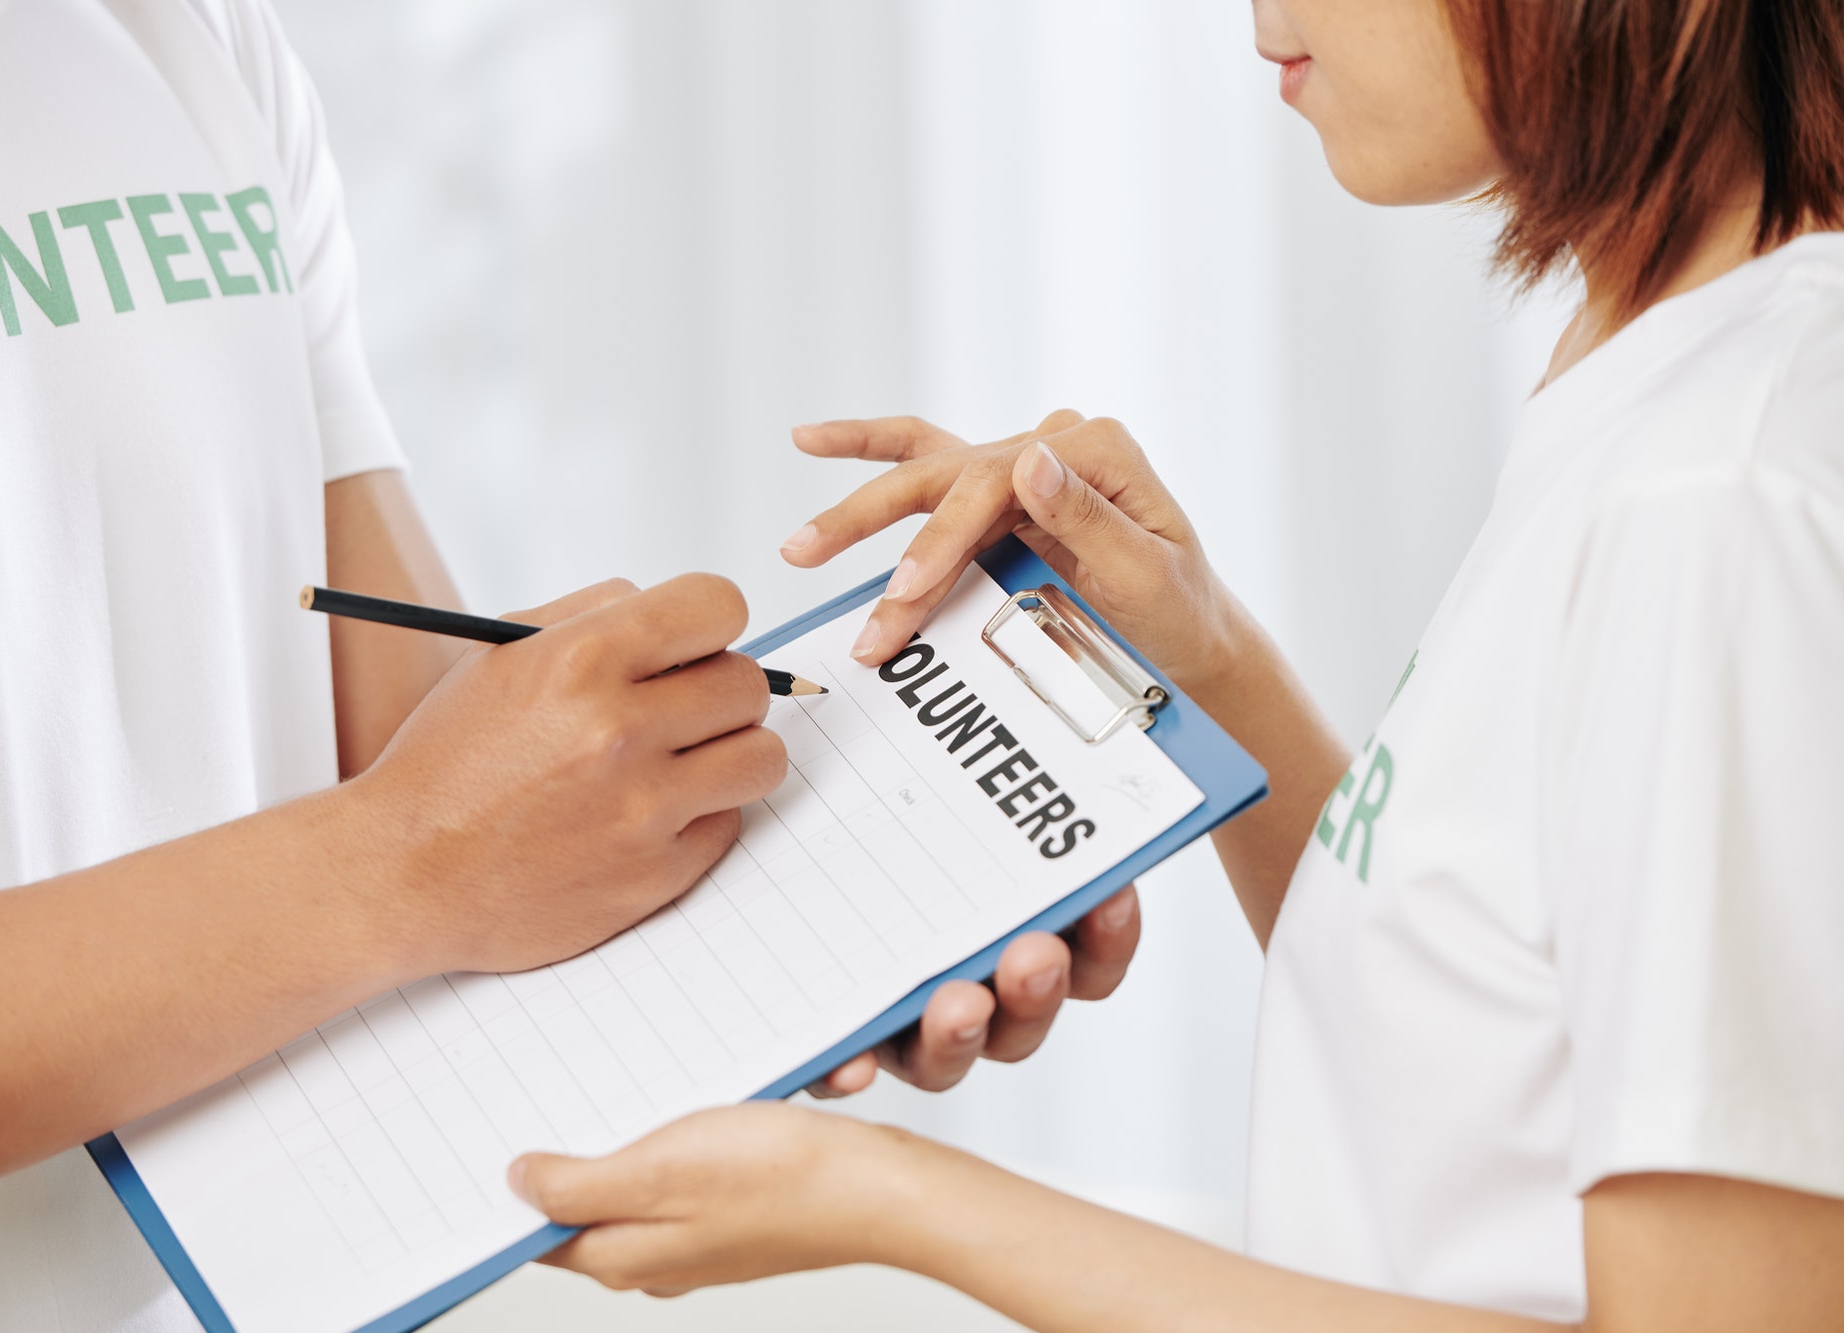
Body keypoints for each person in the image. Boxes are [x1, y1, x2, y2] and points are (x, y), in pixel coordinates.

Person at [507, 0, 1844, 1327]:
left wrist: (891, 1203)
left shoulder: (1716, 494)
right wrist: (1200, 657)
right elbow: (1480, 1034)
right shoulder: (1663, 377)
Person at [0, 2, 1135, 1328]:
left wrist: (866, 871)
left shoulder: (191, 39)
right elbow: (423, 842)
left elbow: (450, 787)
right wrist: (404, 860)